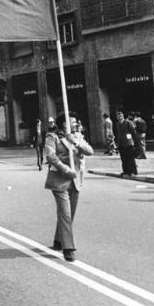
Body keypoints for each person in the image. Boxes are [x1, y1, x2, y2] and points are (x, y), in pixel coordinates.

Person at [44, 112, 93, 262]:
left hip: (75, 180)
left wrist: (75, 142)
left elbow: (90, 151)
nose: (76, 124)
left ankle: (59, 239)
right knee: (65, 213)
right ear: (65, 124)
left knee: (70, 214)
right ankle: (68, 248)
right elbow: (51, 156)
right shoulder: (52, 137)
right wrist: (66, 170)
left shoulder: (77, 136)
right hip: (60, 180)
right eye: (73, 122)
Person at [115, 110, 138, 177]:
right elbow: (118, 134)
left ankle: (133, 171)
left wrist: (135, 143)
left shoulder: (128, 123)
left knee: (130, 158)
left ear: (123, 116)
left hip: (128, 143)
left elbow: (133, 133)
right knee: (123, 158)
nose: (119, 117)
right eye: (118, 116)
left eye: (121, 116)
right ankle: (126, 171)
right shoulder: (118, 124)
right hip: (121, 144)